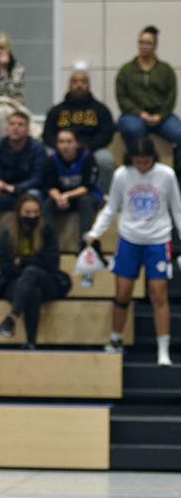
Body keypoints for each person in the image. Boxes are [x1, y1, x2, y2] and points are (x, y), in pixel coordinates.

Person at [85, 137, 181, 366]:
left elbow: (177, 209)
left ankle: (163, 350)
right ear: (131, 159)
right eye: (138, 162)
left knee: (159, 293)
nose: (143, 166)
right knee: (123, 292)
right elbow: (112, 207)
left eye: (146, 161)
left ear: (153, 158)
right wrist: (95, 232)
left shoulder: (166, 175)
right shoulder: (122, 175)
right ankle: (116, 339)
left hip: (158, 239)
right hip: (129, 238)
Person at [0, 194, 70, 349]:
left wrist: (22, 261)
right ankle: (31, 342)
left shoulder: (47, 230)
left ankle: (12, 318)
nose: (32, 216)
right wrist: (34, 261)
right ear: (19, 213)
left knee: (32, 272)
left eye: (35, 212)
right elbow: (6, 267)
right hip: (15, 282)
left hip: (47, 280)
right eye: (28, 212)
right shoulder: (8, 234)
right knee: (32, 290)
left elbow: (51, 264)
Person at [0, 111, 47, 251]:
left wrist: (16, 188)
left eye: (20, 125)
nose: (15, 128)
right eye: (12, 124)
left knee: (36, 194)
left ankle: (38, 242)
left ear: (28, 129)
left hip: (26, 193)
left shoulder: (37, 148)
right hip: (5, 194)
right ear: (7, 128)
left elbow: (38, 178)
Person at [42, 70, 116, 193]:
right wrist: (62, 146)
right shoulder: (56, 110)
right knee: (44, 156)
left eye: (83, 81)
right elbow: (48, 135)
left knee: (106, 161)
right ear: (69, 85)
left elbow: (106, 134)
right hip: (62, 148)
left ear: (89, 85)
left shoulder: (101, 109)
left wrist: (87, 147)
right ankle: (49, 195)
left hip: (92, 148)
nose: (79, 85)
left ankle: (102, 198)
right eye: (75, 81)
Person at [116, 26, 179, 150]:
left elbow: (171, 96)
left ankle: (176, 166)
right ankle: (134, 162)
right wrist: (140, 113)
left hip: (162, 116)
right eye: (141, 42)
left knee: (178, 133)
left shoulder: (166, 70)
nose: (144, 46)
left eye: (148, 43)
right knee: (132, 129)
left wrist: (160, 115)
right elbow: (122, 97)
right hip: (134, 115)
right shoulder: (126, 70)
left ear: (155, 46)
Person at [42, 128, 103, 251]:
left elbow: (87, 187)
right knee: (48, 203)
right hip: (62, 198)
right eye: (61, 142)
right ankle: (48, 245)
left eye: (69, 142)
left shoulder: (87, 158)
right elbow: (49, 186)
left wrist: (67, 196)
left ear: (77, 143)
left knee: (85, 201)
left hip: (86, 196)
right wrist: (59, 197)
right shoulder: (52, 160)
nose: (65, 146)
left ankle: (86, 245)